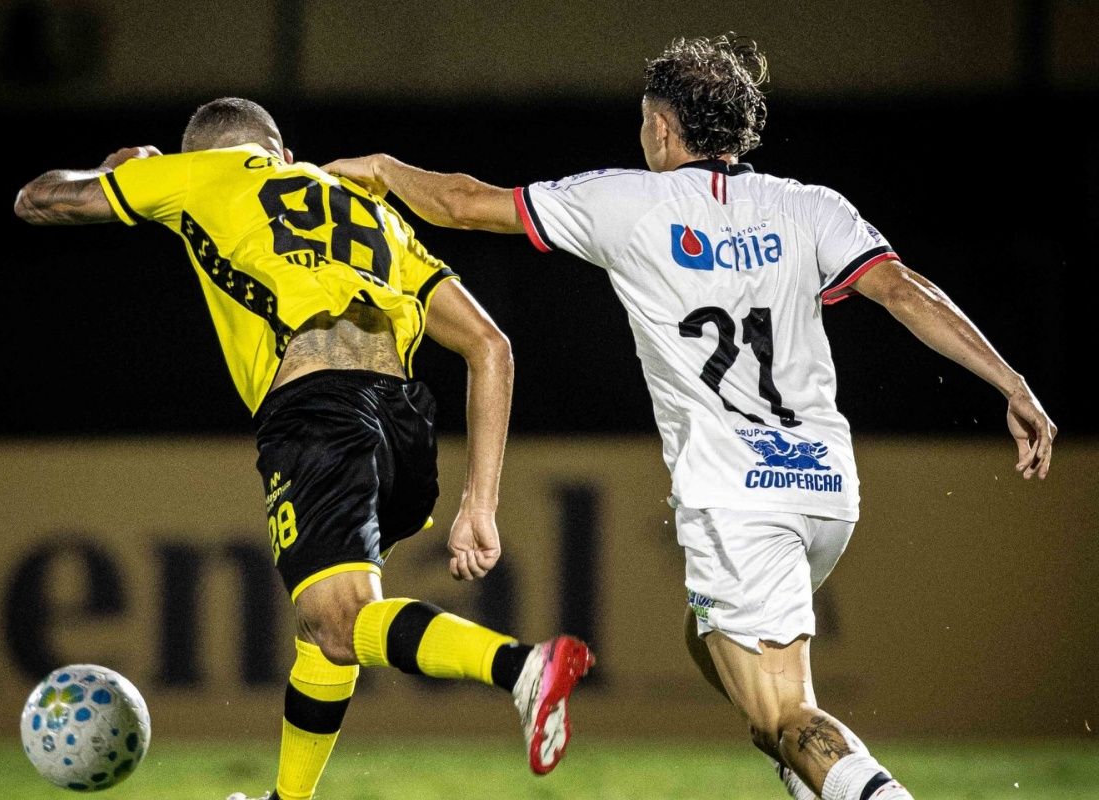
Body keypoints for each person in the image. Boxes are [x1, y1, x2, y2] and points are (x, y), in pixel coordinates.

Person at [323, 34, 1056, 800]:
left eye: (645, 119)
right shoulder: (810, 208)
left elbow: (463, 205)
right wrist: (1010, 381)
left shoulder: (627, 202)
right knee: (715, 651)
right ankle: (819, 778)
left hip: (737, 497)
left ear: (664, 128)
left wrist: (382, 169)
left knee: (783, 713)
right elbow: (907, 291)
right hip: (824, 491)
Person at [13, 97, 594, 799]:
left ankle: (523, 669)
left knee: (341, 623)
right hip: (403, 424)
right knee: (324, 630)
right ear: (283, 151)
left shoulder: (199, 176)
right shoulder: (366, 208)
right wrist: (481, 504)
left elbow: (39, 200)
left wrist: (122, 169)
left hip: (318, 404)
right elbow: (490, 347)